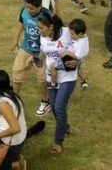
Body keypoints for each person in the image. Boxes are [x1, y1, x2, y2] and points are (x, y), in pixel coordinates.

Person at [38, 13, 78, 155]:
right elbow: (45, 54)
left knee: (60, 107)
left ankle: (58, 142)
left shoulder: (67, 32)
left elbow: (80, 46)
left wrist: (78, 60)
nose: (40, 31)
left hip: (67, 76)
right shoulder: (43, 37)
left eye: (42, 28)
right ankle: (64, 126)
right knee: (54, 108)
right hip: (51, 77)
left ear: (51, 27)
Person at [11, 0, 51, 117]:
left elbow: (51, 34)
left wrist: (41, 54)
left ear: (39, 7)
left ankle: (45, 102)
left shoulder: (47, 15)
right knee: (16, 74)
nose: (28, 10)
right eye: (27, 6)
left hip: (41, 53)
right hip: (25, 49)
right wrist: (15, 40)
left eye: (32, 8)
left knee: (42, 80)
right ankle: (16, 100)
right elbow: (20, 24)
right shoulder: (24, 10)